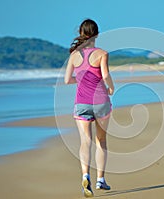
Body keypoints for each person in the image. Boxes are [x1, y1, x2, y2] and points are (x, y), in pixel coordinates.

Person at [64, 19, 114, 198]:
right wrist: (111, 87)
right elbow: (106, 75)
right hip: (100, 102)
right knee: (101, 141)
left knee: (85, 141)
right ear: (97, 34)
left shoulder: (74, 55)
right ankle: (101, 179)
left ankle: (85, 175)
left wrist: (81, 79)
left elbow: (67, 80)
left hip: (82, 103)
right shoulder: (102, 54)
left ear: (80, 33)